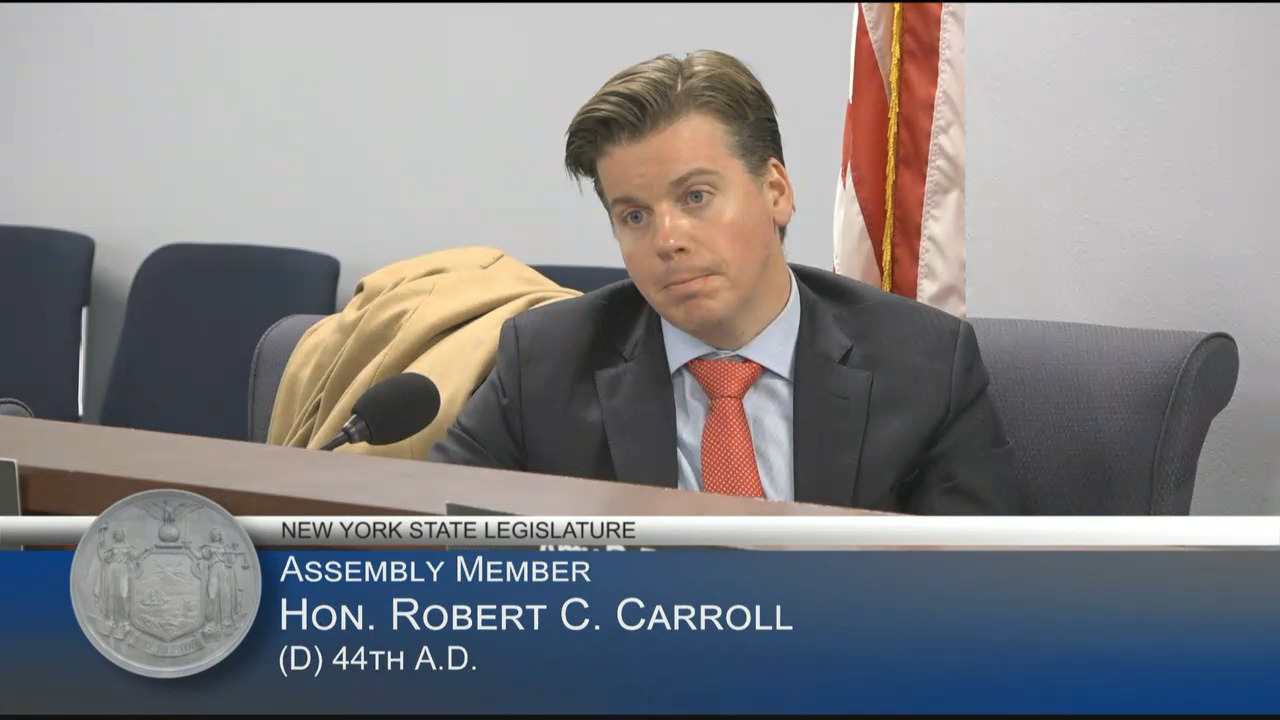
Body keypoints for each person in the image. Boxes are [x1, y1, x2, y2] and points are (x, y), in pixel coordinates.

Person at [429, 50, 1018, 514]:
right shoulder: (545, 363)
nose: (667, 239)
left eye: (695, 197)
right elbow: (430, 541)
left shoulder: (923, 365)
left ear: (776, 192)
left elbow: (986, 588)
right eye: (634, 215)